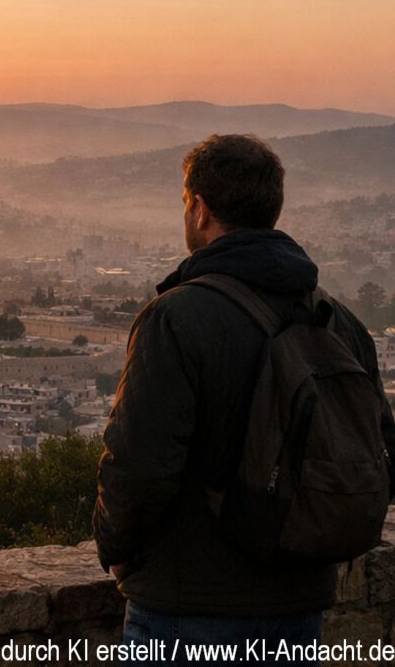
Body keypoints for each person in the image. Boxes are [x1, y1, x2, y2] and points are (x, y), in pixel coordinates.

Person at [94, 133, 394, 651]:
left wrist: (114, 550)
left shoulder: (175, 317)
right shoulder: (338, 322)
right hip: (300, 604)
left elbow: (139, 465)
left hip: (189, 606)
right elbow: (379, 450)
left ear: (200, 209)